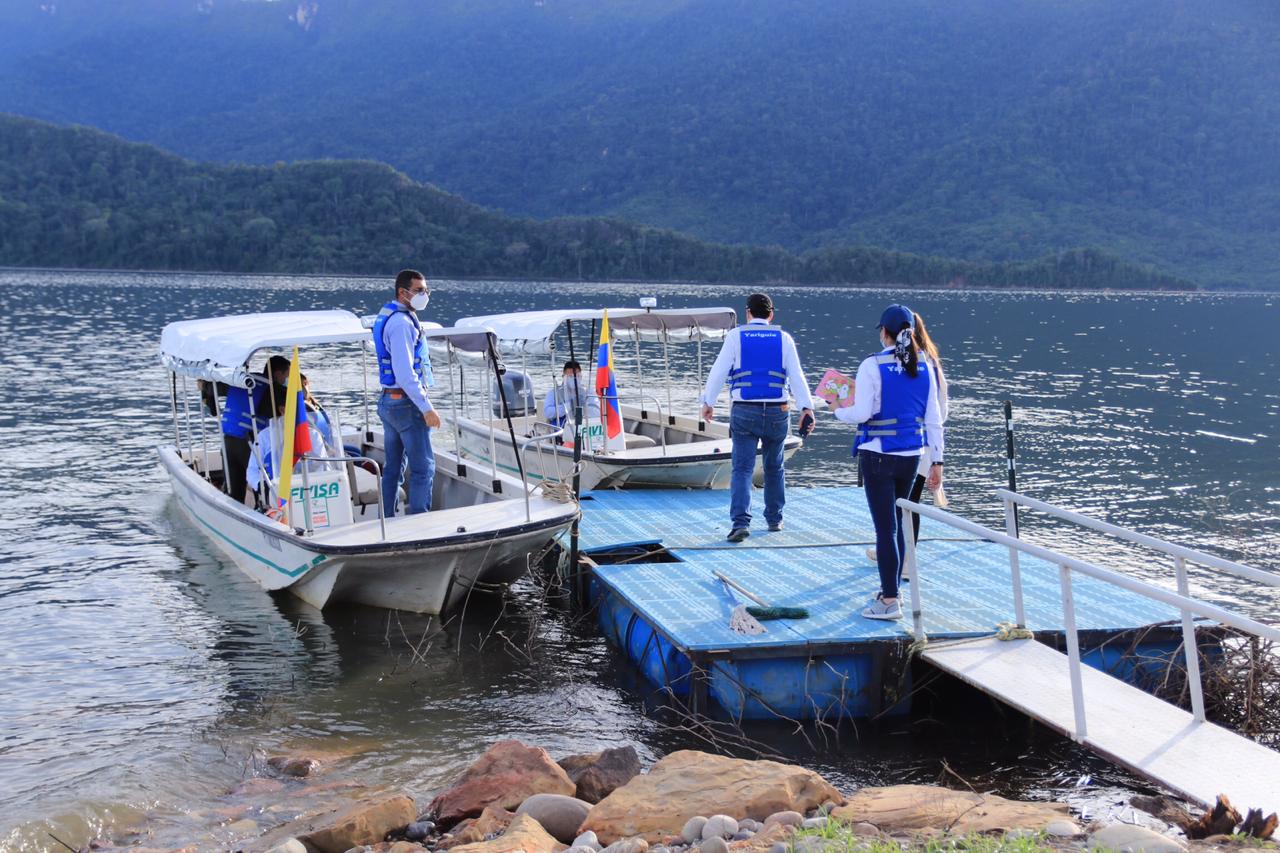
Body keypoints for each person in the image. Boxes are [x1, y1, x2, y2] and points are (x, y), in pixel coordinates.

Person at [832, 304, 944, 620]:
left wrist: (837, 410)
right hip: (911, 455)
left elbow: (862, 413)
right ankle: (890, 591)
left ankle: (890, 601)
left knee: (885, 529)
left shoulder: (872, 365)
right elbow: (934, 418)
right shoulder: (925, 365)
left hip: (878, 455)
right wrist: (938, 461)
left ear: (885, 332)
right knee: (897, 526)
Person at [700, 292, 815, 542]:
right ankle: (775, 520)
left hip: (744, 410)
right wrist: (807, 408)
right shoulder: (784, 339)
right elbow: (797, 376)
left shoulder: (735, 337)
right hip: (778, 411)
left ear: (748, 313)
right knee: (775, 467)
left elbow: (718, 371)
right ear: (771, 315)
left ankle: (740, 523)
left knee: (742, 468)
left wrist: (708, 402)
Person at [865, 310, 950, 567]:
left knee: (902, 506)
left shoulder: (908, 365)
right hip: (922, 444)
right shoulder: (929, 364)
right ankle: (899, 556)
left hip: (907, 445)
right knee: (908, 504)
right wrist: (938, 456)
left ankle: (902, 561)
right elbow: (940, 411)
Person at [371, 269, 440, 516]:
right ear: (403, 292)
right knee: (423, 468)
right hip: (405, 403)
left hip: (390, 400)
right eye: (419, 290)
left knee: (393, 468)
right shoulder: (401, 324)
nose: (425, 295)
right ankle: (419, 524)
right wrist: (426, 407)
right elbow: (405, 373)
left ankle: (386, 518)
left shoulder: (391, 315)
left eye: (426, 290)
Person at [543, 359, 599, 428]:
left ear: (581, 377)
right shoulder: (554, 393)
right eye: (570, 376)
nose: (574, 379)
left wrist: (585, 407)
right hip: (563, 428)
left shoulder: (587, 392)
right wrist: (568, 406)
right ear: (563, 377)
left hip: (584, 426)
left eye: (577, 376)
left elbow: (597, 410)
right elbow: (548, 412)